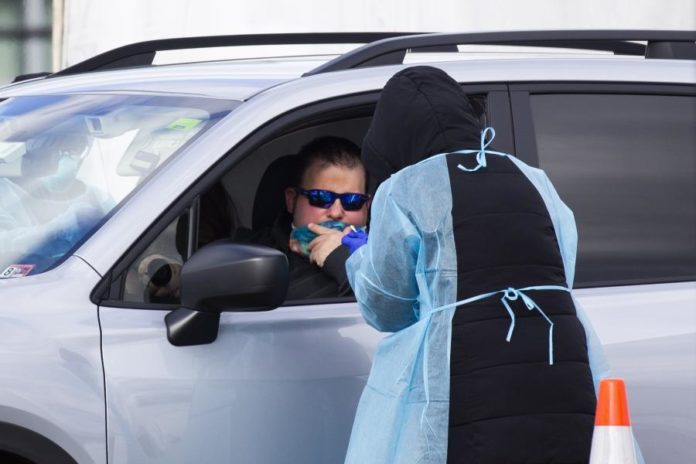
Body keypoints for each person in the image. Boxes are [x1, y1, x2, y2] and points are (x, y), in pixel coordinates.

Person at [342, 66, 617, 463]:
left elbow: (386, 306)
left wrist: (353, 256)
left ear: (390, 136)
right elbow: (562, 273)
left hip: (469, 390)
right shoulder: (534, 179)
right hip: (560, 371)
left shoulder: (406, 189)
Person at [237, 136, 370, 300]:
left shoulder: (389, 261)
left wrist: (346, 259)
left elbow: (385, 307)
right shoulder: (246, 257)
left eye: (352, 201)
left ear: (367, 206)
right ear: (292, 200)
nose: (336, 212)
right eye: (320, 197)